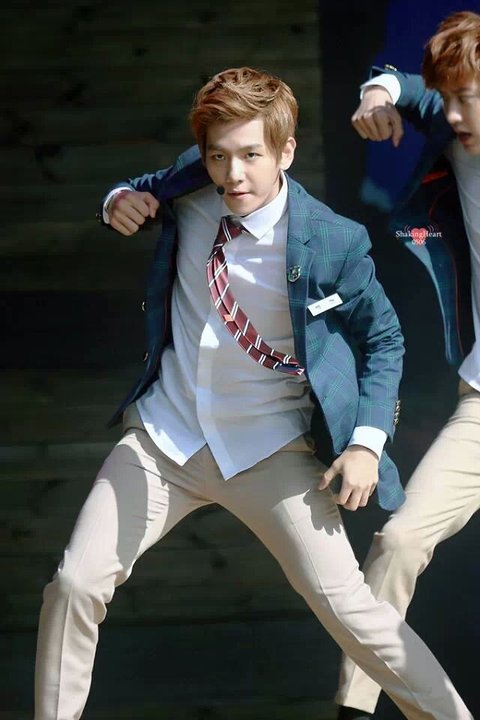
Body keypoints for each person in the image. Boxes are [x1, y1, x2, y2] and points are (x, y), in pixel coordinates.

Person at [34, 66, 472, 720]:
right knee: (74, 583)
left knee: (353, 609)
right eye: (218, 156)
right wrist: (116, 200)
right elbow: (139, 190)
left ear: (286, 151)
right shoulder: (192, 184)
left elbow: (384, 341)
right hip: (164, 441)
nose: (233, 175)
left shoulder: (333, 239)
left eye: (250, 156)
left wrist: (366, 443)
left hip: (271, 449)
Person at [335, 11, 480, 720]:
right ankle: (354, 709)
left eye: (466, 99)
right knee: (396, 540)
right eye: (447, 99)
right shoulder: (456, 134)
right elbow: (400, 85)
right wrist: (376, 93)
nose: (450, 115)